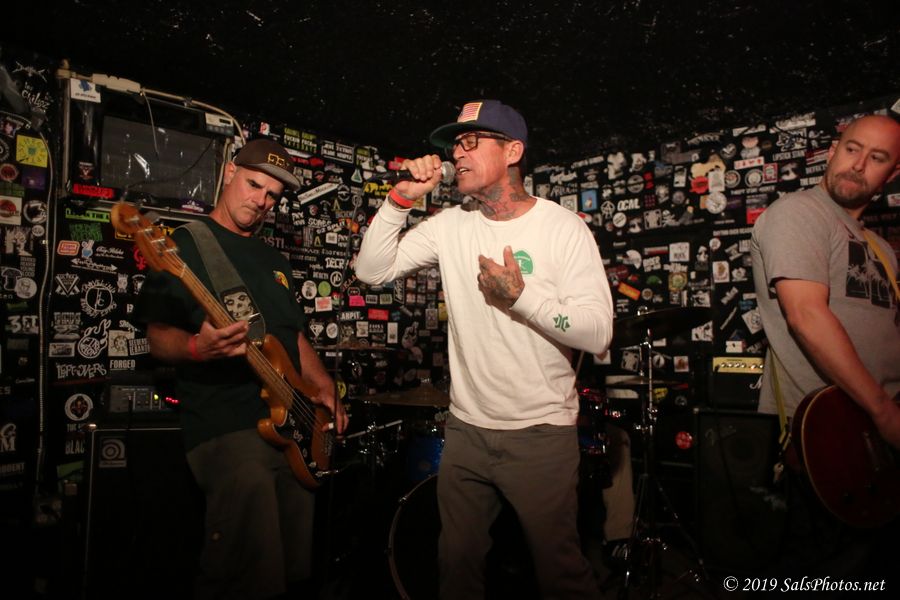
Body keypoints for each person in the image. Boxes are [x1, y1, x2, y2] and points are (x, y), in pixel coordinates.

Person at [355, 100, 613, 599]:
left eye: (471, 141)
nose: (457, 152)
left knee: (559, 574)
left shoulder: (562, 228)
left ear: (513, 151)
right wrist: (400, 200)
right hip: (467, 431)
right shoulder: (451, 225)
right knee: (456, 567)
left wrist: (522, 299)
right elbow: (371, 271)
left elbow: (599, 333)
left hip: (540, 434)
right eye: (455, 144)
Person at [136, 138, 348, 600]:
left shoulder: (274, 261)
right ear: (229, 173)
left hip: (292, 431)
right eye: (254, 185)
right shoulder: (184, 245)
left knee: (292, 570)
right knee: (245, 573)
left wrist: (324, 388)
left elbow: (292, 338)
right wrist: (198, 347)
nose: (261, 200)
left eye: (272, 195)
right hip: (227, 426)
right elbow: (157, 336)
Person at [750, 114, 900, 578]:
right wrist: (883, 411)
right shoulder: (800, 213)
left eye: (877, 157)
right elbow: (806, 316)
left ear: (892, 174)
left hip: (878, 438)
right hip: (829, 435)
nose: (859, 164)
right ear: (833, 151)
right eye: (852, 149)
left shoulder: (881, 249)